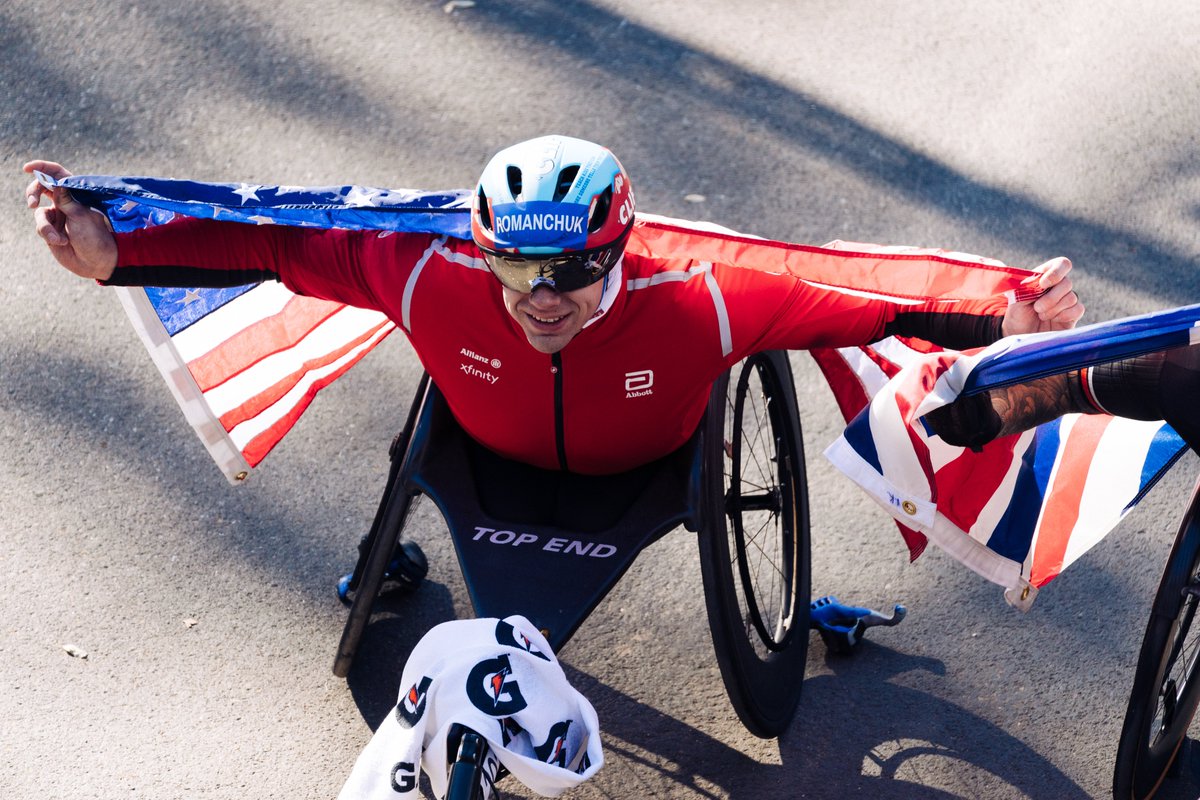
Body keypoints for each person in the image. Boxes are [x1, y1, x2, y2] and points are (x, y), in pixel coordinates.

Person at [22, 135, 1198, 475]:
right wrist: (117, 252)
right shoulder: (421, 269)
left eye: (575, 271)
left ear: (620, 250)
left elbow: (866, 295)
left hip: (651, 468)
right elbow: (272, 238)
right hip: (486, 459)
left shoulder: (709, 298)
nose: (543, 298)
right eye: (516, 270)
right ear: (481, 249)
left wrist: (1001, 317)